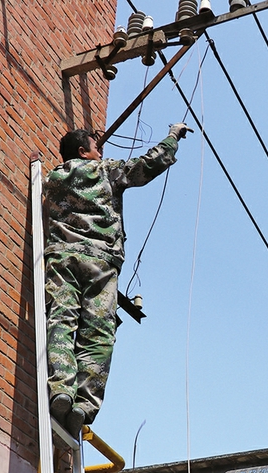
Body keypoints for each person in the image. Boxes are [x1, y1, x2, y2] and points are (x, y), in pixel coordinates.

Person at [42, 123, 192, 435]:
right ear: (84, 152)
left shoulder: (52, 179)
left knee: (61, 320)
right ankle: (84, 403)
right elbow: (147, 165)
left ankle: (61, 390)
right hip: (100, 263)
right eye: (96, 148)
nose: (101, 153)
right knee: (98, 334)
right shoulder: (105, 172)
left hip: (62, 257)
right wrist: (173, 136)